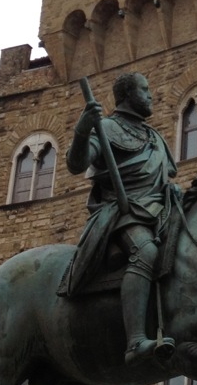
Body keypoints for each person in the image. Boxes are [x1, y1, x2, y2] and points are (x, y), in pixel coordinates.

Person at [62, 72, 178, 365]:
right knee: (146, 252)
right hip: (122, 214)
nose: (151, 94)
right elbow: (77, 164)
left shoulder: (154, 136)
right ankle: (136, 340)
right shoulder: (108, 128)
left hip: (158, 209)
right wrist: (81, 130)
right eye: (145, 89)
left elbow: (162, 178)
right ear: (127, 95)